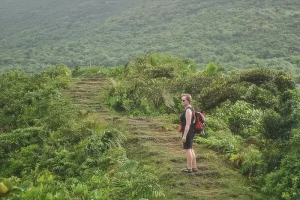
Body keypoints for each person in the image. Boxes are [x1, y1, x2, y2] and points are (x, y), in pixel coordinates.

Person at [180, 93, 197, 173]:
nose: (182, 102)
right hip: (191, 130)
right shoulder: (191, 108)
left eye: (184, 100)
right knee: (190, 148)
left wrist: (184, 135)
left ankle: (189, 167)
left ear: (188, 100)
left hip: (188, 131)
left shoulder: (188, 110)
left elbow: (188, 124)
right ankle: (194, 167)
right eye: (182, 100)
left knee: (187, 149)